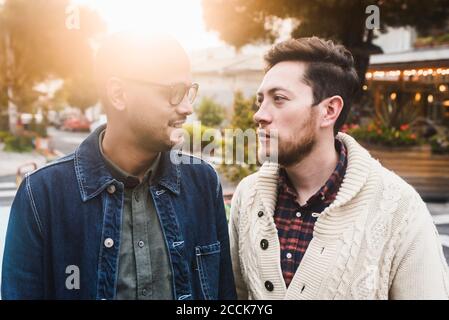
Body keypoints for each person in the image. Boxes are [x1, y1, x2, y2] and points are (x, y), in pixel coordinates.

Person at [1, 32, 236, 300]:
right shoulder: (42, 195)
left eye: (189, 92)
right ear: (118, 94)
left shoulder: (203, 183)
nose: (187, 108)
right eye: (174, 92)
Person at [229, 37, 449, 300]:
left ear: (329, 110)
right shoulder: (248, 196)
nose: (259, 114)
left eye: (278, 99)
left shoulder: (400, 208)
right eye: (260, 100)